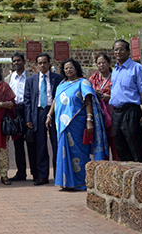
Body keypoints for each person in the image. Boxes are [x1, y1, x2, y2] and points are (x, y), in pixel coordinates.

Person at [46, 58, 108, 190]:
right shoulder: (61, 84)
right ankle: (66, 182)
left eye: (71, 68)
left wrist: (89, 120)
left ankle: (81, 182)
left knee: (79, 152)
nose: (68, 70)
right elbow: (56, 101)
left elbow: (88, 101)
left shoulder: (83, 82)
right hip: (62, 125)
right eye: (66, 68)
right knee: (62, 152)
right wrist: (49, 115)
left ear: (76, 68)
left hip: (77, 123)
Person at [23, 53, 63, 186]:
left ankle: (59, 174)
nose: (42, 65)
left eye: (45, 62)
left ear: (49, 63)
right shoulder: (31, 80)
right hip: (38, 113)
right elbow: (27, 101)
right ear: (36, 65)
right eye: (40, 63)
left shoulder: (58, 79)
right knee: (40, 145)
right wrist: (28, 118)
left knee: (56, 144)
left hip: (54, 113)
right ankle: (42, 175)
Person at [110, 40, 142, 163]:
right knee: (120, 146)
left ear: (128, 52)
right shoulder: (115, 70)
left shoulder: (136, 68)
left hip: (131, 112)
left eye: (121, 49)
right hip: (117, 113)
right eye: (116, 50)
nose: (118, 52)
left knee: (135, 145)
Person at [8, 52, 34, 182]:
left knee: (31, 142)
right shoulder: (9, 78)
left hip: (28, 110)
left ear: (24, 62)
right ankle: (21, 172)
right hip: (14, 111)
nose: (16, 63)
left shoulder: (31, 77)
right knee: (17, 144)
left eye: (18, 60)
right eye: (14, 61)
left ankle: (35, 172)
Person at [89, 52, 118, 160]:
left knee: (115, 144)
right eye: (99, 63)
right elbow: (87, 93)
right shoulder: (94, 78)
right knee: (101, 144)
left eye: (104, 62)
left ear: (109, 63)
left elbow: (121, 93)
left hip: (113, 113)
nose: (101, 65)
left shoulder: (115, 77)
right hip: (99, 117)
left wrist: (109, 97)